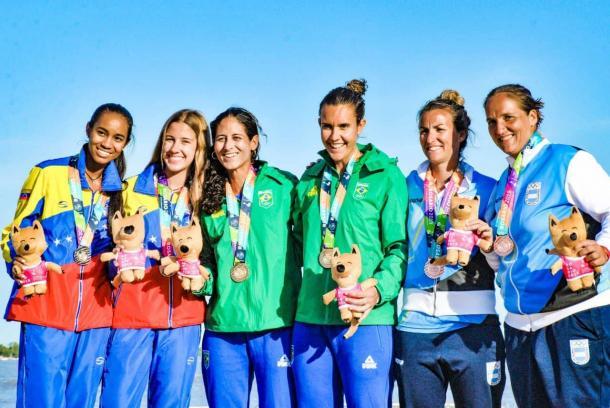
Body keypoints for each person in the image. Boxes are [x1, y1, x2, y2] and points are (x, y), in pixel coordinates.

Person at [484, 84, 610, 407]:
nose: (500, 129)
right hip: (519, 327)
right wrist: (488, 248)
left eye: (508, 118)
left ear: (532, 117)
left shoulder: (567, 161)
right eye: (492, 121)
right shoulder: (503, 185)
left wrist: (604, 248)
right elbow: (504, 261)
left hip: (574, 315)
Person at [1, 103, 132, 408]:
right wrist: (16, 262)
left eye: (117, 138)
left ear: (125, 143)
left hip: (96, 314)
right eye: (101, 133)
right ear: (88, 129)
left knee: (81, 402)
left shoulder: (120, 191)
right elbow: (14, 232)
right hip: (47, 306)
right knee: (40, 401)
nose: (107, 143)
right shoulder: (48, 173)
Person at [291, 79, 408, 408]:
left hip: (366, 318)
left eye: (343, 126)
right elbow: (296, 245)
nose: (334, 136)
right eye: (326, 126)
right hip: (311, 317)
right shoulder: (310, 179)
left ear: (361, 125)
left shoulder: (386, 176)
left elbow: (399, 248)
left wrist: (377, 290)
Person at [394, 90, 505, 407]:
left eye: (439, 129)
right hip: (415, 328)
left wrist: (488, 247)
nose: (430, 138)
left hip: (474, 328)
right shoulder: (405, 186)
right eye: (424, 130)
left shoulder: (488, 187)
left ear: (461, 134)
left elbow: (502, 263)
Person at [100, 109, 209, 407]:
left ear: (199, 148)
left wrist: (203, 279)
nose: (175, 148)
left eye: (185, 142)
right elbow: (106, 246)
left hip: (183, 318)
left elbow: (214, 258)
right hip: (132, 315)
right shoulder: (129, 190)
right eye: (169, 139)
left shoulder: (205, 199)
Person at [198, 107, 301, 407]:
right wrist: (201, 280)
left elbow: (306, 246)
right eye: (220, 139)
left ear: (254, 142)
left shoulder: (284, 185)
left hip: (276, 325)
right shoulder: (207, 195)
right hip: (223, 328)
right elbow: (206, 261)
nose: (228, 146)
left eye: (237, 138)